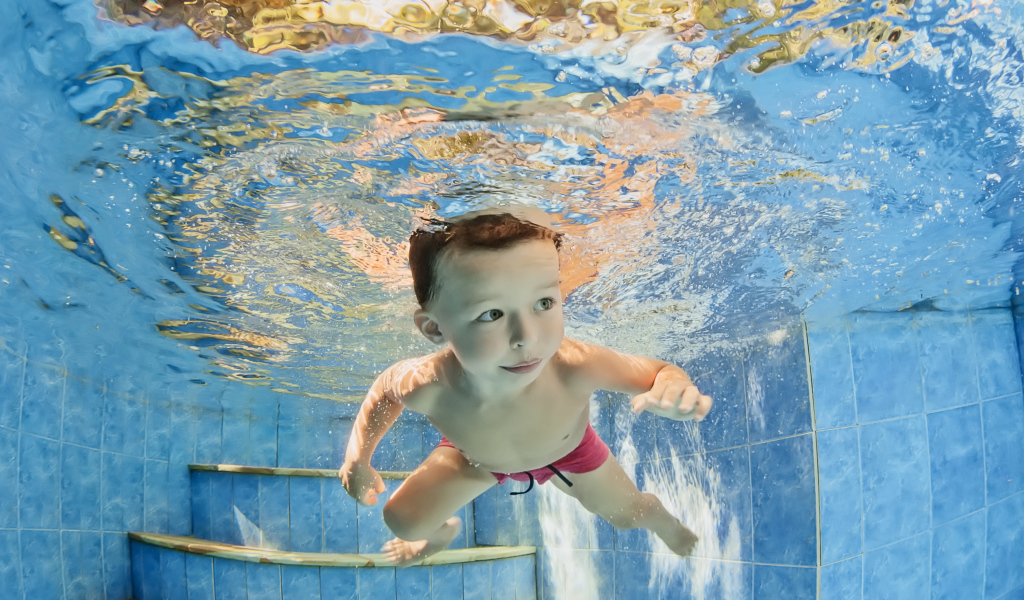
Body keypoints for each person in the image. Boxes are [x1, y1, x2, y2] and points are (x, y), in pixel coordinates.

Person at [338, 207, 713, 566]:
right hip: (476, 457)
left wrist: (674, 386)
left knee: (628, 515)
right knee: (402, 520)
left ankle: (664, 521)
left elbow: (660, 371)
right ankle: (437, 537)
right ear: (435, 329)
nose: (526, 337)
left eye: (544, 302)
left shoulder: (574, 364)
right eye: (491, 314)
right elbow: (385, 390)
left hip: (570, 452)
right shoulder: (431, 384)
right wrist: (358, 459)